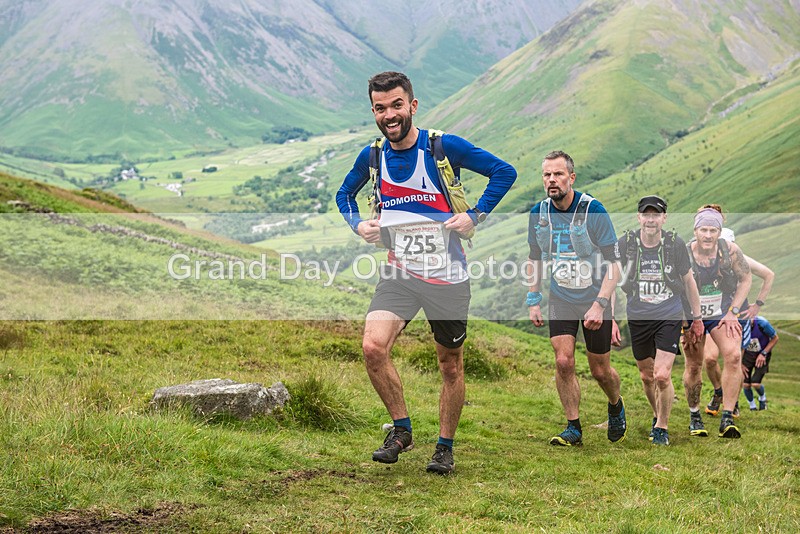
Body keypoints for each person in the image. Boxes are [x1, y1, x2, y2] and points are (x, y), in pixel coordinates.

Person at [336, 71, 516, 474]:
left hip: (447, 277)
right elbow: (343, 194)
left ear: (412, 106)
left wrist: (474, 216)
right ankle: (401, 430)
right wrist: (357, 224)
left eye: (397, 105)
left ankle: (445, 447)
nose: (389, 115)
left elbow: (504, 172)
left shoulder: (441, 147)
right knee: (372, 347)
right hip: (399, 273)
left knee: (450, 365)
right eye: (380, 108)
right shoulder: (374, 156)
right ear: (374, 112)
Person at [527, 150, 625, 447]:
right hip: (561, 297)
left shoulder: (593, 211)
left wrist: (600, 304)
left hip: (595, 298)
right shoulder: (539, 213)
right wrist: (534, 298)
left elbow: (615, 266)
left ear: (571, 177)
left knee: (600, 370)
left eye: (558, 174)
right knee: (563, 360)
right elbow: (535, 258)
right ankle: (573, 426)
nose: (552, 180)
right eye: (547, 175)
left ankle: (616, 404)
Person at [614, 195, 704, 446]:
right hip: (638, 316)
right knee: (646, 376)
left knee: (662, 375)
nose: (650, 219)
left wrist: (696, 318)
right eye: (646, 214)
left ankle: (662, 427)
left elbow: (689, 283)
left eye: (656, 215)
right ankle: (657, 416)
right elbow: (611, 279)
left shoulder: (675, 245)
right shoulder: (627, 244)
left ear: (664, 218)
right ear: (638, 217)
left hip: (669, 314)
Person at [683, 206, 752, 438]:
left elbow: (746, 278)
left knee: (733, 356)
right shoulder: (684, 253)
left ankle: (728, 417)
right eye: (704, 229)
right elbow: (674, 289)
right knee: (694, 365)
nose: (708, 235)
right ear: (696, 230)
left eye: (713, 230)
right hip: (693, 315)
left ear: (719, 231)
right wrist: (687, 323)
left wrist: (733, 311)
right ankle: (695, 416)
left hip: (720, 313)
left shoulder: (730, 251)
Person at [701, 223, 775, 417]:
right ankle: (719, 391)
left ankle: (731, 403)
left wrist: (757, 305)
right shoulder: (708, 258)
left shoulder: (740, 258)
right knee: (709, 359)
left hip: (738, 315)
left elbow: (769, 275)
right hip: (713, 314)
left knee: (734, 360)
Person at [742, 315, 779, 411]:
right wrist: (740, 363)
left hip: (762, 354)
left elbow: (775, 338)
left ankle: (762, 399)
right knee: (745, 384)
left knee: (755, 383)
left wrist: (763, 353)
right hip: (747, 355)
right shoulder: (738, 324)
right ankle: (752, 407)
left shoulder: (763, 323)